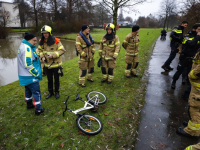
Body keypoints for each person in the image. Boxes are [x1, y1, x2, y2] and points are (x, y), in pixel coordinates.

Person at [176, 24, 200, 137]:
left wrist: (192, 75)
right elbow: (186, 43)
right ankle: (193, 123)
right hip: (187, 60)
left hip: (197, 82)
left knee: (194, 106)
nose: (198, 33)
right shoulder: (190, 36)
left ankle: (193, 130)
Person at [17, 32, 44, 116]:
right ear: (28, 40)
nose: (35, 42)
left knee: (27, 90)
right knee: (36, 93)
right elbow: (28, 64)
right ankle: (38, 109)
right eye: (34, 40)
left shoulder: (22, 46)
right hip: (31, 76)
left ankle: (29, 104)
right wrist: (36, 73)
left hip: (24, 76)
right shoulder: (27, 49)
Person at [38, 25, 65, 99]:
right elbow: (39, 50)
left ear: (50, 33)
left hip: (56, 65)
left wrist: (53, 55)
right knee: (49, 80)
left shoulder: (56, 41)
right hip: (47, 65)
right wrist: (42, 57)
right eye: (43, 33)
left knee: (56, 80)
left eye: (46, 33)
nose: (45, 35)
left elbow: (62, 50)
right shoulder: (42, 41)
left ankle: (57, 92)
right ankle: (50, 92)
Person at [171, 24, 198, 89]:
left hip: (194, 57)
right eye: (199, 29)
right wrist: (197, 37)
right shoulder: (188, 35)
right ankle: (174, 81)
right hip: (185, 56)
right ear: (194, 29)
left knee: (189, 72)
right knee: (179, 70)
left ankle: (185, 81)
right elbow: (190, 44)